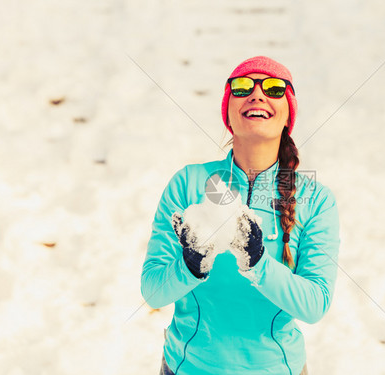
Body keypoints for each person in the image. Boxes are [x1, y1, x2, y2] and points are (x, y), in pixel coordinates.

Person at [141, 56, 340, 375]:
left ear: (289, 114)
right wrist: (190, 265)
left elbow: (314, 304)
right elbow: (153, 291)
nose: (257, 94)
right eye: (243, 86)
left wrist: (258, 262)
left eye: (274, 89)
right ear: (228, 113)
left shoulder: (315, 199)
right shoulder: (189, 183)